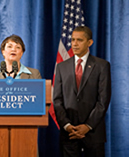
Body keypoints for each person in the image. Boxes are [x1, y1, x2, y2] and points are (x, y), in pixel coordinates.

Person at [53, 26, 111, 157]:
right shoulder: (62, 67)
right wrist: (67, 125)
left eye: (79, 40)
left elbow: (103, 100)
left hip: (93, 133)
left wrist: (87, 126)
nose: (74, 43)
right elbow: (57, 100)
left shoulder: (102, 66)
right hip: (69, 133)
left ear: (89, 42)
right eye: (73, 40)